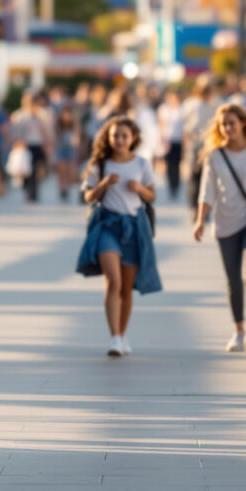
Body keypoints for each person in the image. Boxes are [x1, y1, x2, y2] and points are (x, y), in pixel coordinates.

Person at [193, 104, 246, 357]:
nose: (228, 128)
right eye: (223, 124)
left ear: (243, 123)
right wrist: (200, 221)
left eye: (232, 122)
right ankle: (238, 331)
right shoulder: (215, 156)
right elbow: (207, 191)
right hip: (225, 224)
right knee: (233, 280)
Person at [78, 117, 162, 357]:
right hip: (107, 226)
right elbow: (88, 196)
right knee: (113, 280)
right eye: (115, 136)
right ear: (108, 137)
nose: (120, 140)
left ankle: (123, 335)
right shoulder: (99, 165)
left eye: (125, 136)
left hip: (133, 227)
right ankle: (114, 336)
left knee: (126, 288)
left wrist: (140, 189)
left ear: (133, 138)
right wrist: (104, 184)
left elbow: (152, 196)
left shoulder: (142, 164)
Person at [182, 78, 220, 210]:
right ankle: (194, 206)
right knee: (194, 178)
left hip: (209, 145)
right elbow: (187, 128)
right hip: (195, 145)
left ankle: (204, 208)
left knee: (208, 178)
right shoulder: (191, 104)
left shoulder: (215, 104)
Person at [11, 92, 54, 203]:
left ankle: (33, 193)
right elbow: (14, 132)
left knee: (36, 170)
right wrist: (16, 144)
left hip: (37, 145)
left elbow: (45, 131)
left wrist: (47, 145)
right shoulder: (19, 115)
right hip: (24, 146)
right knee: (25, 170)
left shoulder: (40, 115)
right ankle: (26, 189)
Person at [157, 89, 185, 201]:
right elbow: (161, 125)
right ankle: (171, 187)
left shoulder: (182, 110)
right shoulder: (164, 109)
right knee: (169, 165)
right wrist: (161, 139)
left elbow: (184, 128)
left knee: (177, 165)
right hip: (167, 141)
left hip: (178, 141)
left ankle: (176, 185)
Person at [54, 106, 81, 203]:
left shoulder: (74, 124)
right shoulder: (58, 125)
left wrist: (76, 143)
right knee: (61, 171)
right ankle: (62, 190)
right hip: (60, 149)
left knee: (70, 172)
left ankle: (68, 189)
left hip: (70, 149)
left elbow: (77, 136)